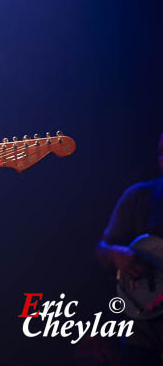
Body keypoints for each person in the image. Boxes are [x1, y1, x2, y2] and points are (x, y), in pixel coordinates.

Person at [95, 132, 163, 365]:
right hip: (142, 335)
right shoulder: (140, 196)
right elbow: (101, 248)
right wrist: (116, 255)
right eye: (162, 152)